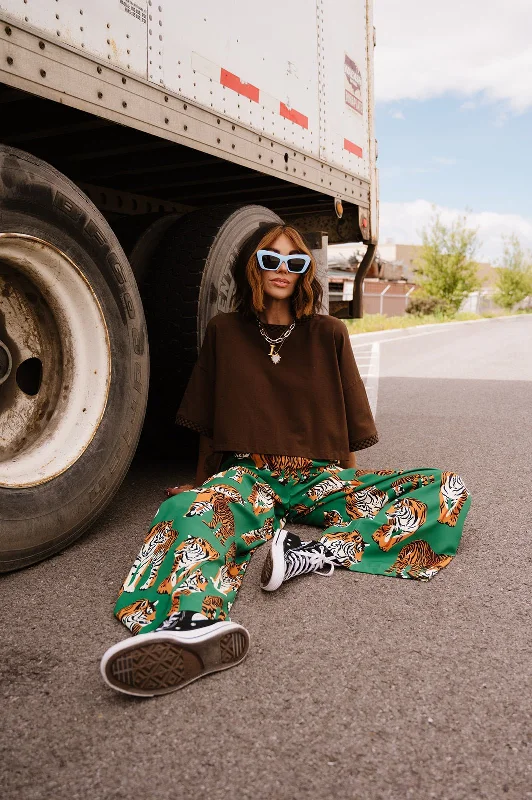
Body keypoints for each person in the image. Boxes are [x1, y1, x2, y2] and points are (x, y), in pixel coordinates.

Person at [100, 223, 471, 697]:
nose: (282, 269)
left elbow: (346, 422)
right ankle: (192, 621)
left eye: (294, 262)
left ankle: (311, 554)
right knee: (185, 511)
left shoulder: (328, 333)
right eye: (270, 259)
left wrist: (352, 492)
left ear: (305, 273)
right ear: (253, 266)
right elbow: (209, 424)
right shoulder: (225, 332)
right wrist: (199, 484)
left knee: (448, 487)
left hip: (317, 475)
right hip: (251, 473)